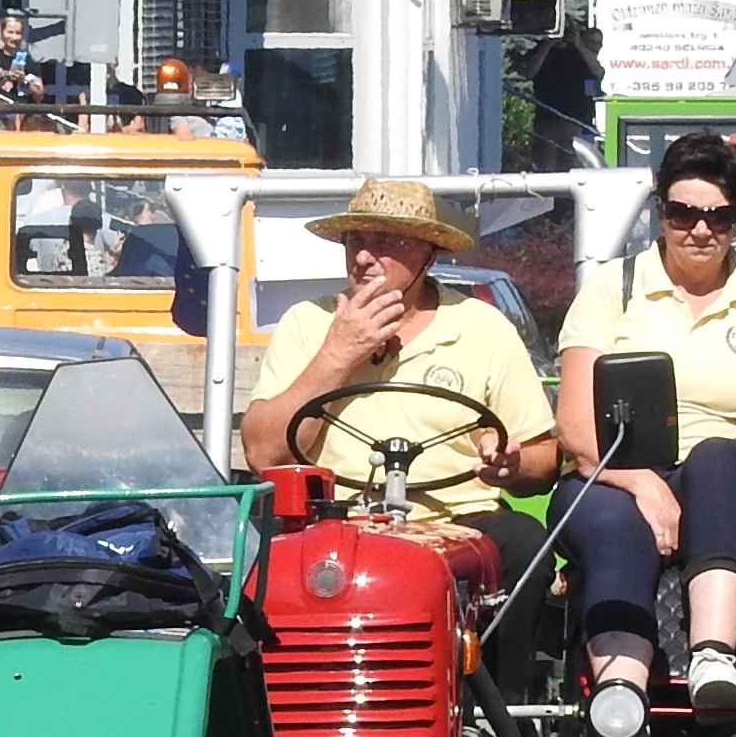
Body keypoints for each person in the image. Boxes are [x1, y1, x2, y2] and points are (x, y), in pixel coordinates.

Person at [237, 178, 560, 693]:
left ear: (428, 256)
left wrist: (510, 464)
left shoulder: (481, 326)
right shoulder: (309, 323)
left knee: (525, 544)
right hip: (336, 520)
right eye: (355, 241)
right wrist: (339, 353)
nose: (366, 257)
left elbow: (544, 458)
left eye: (388, 243)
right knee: (269, 571)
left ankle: (504, 728)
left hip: (459, 521)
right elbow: (262, 452)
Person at [555, 131, 736, 718]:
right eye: (683, 213)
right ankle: (620, 695)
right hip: (618, 473)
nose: (700, 230)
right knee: (608, 517)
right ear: (661, 214)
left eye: (719, 217)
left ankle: (713, 653)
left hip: (728, 475)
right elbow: (576, 427)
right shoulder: (614, 289)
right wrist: (641, 483)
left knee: (716, 457)